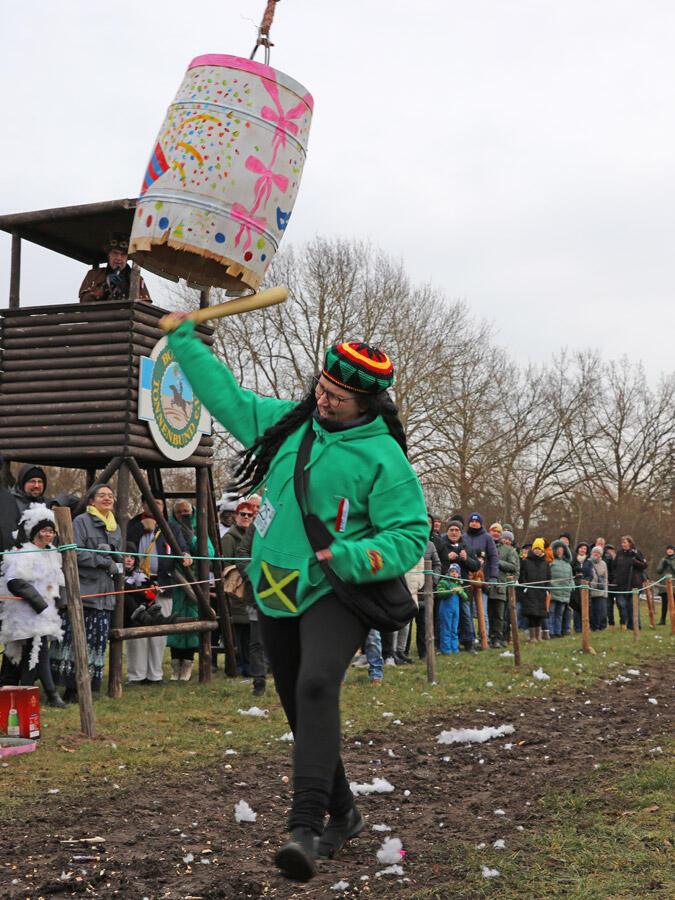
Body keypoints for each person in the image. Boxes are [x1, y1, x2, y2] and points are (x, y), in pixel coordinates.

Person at [162, 313, 428, 882]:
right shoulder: (288, 424)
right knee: (298, 706)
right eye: (322, 389)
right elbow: (226, 395)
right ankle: (347, 813)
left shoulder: (385, 459)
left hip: (336, 591)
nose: (323, 399)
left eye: (336, 397)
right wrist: (183, 339)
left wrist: (352, 555)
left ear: (367, 405)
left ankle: (303, 828)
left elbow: (410, 535)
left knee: (315, 685)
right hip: (273, 590)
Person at [51, 484, 122, 701]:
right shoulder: (81, 521)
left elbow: (118, 556)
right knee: (73, 642)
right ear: (91, 501)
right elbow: (74, 553)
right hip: (83, 591)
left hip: (104, 595)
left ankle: (89, 688)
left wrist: (118, 561)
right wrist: (102, 561)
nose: (107, 499)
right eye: (102, 495)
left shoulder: (115, 526)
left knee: (97, 643)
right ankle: (69, 689)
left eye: (110, 496)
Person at [0, 505, 66, 707]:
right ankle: (46, 695)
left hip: (45, 612)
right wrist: (38, 603)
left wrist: (59, 603)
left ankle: (32, 695)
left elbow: (58, 581)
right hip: (26, 613)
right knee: (33, 651)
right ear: (35, 532)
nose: (48, 534)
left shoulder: (53, 553)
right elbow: (14, 581)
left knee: (37, 652)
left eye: (51, 531)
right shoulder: (25, 553)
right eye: (44, 530)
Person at [131, 505, 192, 683]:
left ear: (163, 506)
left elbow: (182, 546)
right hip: (138, 584)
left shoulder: (171, 527)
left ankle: (155, 674)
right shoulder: (134, 524)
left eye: (158, 503)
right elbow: (126, 544)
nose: (155, 507)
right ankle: (137, 675)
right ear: (143, 504)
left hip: (163, 583)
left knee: (160, 631)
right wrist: (142, 528)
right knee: (137, 629)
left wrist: (186, 553)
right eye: (151, 503)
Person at [167, 500, 213, 682]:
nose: (183, 515)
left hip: (195, 584)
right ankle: (175, 664)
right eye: (179, 512)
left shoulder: (199, 530)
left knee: (193, 626)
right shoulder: (168, 529)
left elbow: (209, 552)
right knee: (174, 624)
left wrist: (192, 540)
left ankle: (187, 664)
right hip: (175, 585)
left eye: (186, 511)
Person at [222, 500, 257, 676]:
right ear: (236, 516)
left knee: (252, 632)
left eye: (249, 514)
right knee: (239, 634)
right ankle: (240, 667)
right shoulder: (229, 538)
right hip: (237, 590)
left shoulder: (255, 536)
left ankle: (251, 667)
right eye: (242, 514)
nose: (246, 517)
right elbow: (226, 565)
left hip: (253, 587)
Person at [436, 520, 480, 650]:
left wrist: (466, 559)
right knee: (444, 617)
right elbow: (437, 566)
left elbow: (476, 567)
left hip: (463, 589)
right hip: (446, 588)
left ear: (461, 532)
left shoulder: (467, 548)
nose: (454, 533)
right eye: (451, 530)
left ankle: (468, 642)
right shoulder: (441, 546)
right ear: (447, 531)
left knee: (466, 615)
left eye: (457, 530)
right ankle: (442, 643)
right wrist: (446, 558)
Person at [78, 234, 150, 303]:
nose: (119, 258)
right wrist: (105, 286)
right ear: (109, 255)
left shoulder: (137, 279)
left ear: (127, 257)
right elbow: (83, 300)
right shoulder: (94, 274)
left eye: (123, 254)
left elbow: (146, 306)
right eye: (115, 253)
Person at [462, 513, 498, 642]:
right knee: (468, 612)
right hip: (467, 579)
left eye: (477, 522)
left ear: (481, 524)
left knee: (483, 611)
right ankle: (471, 638)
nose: (474, 524)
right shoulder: (463, 537)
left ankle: (484, 637)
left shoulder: (487, 538)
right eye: (472, 521)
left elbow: (494, 557)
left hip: (483, 579)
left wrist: (493, 577)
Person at [412, 514, 441, 659]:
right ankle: (401, 652)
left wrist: (433, 581)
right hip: (410, 588)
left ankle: (423, 652)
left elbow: (437, 564)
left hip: (425, 589)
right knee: (407, 623)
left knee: (423, 623)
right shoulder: (409, 542)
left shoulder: (430, 545)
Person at [486, 523, 519, 648]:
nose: (496, 533)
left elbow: (513, 566)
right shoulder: (486, 545)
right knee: (485, 614)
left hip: (500, 586)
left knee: (499, 615)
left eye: (498, 532)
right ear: (490, 532)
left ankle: (498, 638)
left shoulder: (508, 550)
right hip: (485, 585)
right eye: (493, 531)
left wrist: (497, 562)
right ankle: (485, 637)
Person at [518, 538, 551, 642]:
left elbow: (548, 577)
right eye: (535, 548)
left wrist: (547, 589)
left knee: (540, 615)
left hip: (541, 592)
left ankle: (539, 635)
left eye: (539, 548)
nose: (537, 550)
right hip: (530, 592)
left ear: (542, 550)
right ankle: (532, 636)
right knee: (531, 614)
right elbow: (522, 576)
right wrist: (525, 588)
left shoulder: (545, 564)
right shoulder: (526, 562)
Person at [613, 535, 647, 630]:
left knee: (633, 605)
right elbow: (614, 566)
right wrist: (615, 577)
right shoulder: (619, 553)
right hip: (621, 585)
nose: (623, 544)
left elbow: (644, 565)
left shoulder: (636, 552)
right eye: (622, 543)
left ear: (630, 543)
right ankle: (628, 624)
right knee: (621, 604)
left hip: (634, 584)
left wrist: (635, 562)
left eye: (625, 542)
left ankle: (636, 625)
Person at [436, 564, 467, 654]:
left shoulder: (458, 584)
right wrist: (450, 592)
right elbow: (439, 593)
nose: (454, 574)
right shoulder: (444, 582)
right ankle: (446, 650)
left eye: (456, 572)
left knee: (454, 629)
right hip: (445, 610)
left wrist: (461, 593)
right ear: (448, 573)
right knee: (446, 628)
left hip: (455, 611)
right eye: (452, 572)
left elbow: (465, 598)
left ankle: (454, 648)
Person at [548, 539, 574, 637]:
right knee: (551, 613)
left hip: (564, 593)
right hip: (553, 591)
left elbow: (571, 578)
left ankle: (558, 632)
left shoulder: (567, 564)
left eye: (562, 549)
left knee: (559, 614)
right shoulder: (551, 562)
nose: (560, 551)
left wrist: (571, 587)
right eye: (558, 549)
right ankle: (551, 632)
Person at [589, 545, 609, 630]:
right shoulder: (588, 562)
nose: (596, 554)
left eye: (598, 552)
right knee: (591, 611)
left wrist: (605, 592)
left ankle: (597, 627)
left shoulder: (603, 564)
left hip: (599, 591)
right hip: (590, 590)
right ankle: (592, 626)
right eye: (594, 552)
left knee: (598, 610)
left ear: (601, 554)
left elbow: (605, 578)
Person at [656, 545, 675, 625]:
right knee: (664, 603)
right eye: (668, 549)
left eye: (671, 549)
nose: (669, 551)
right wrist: (663, 564)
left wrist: (671, 564)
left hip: (673, 585)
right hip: (664, 585)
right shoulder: (663, 559)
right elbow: (658, 571)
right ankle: (662, 620)